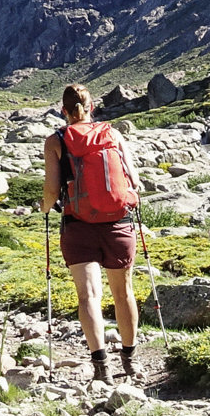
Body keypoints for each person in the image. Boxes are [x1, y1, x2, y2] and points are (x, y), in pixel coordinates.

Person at [43, 83, 143, 382]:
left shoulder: (55, 140)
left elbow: (51, 190)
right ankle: (130, 359)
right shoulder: (112, 133)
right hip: (119, 223)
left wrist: (45, 207)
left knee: (88, 296)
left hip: (78, 227)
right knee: (123, 292)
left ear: (63, 112)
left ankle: (101, 369)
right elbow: (133, 180)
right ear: (92, 109)